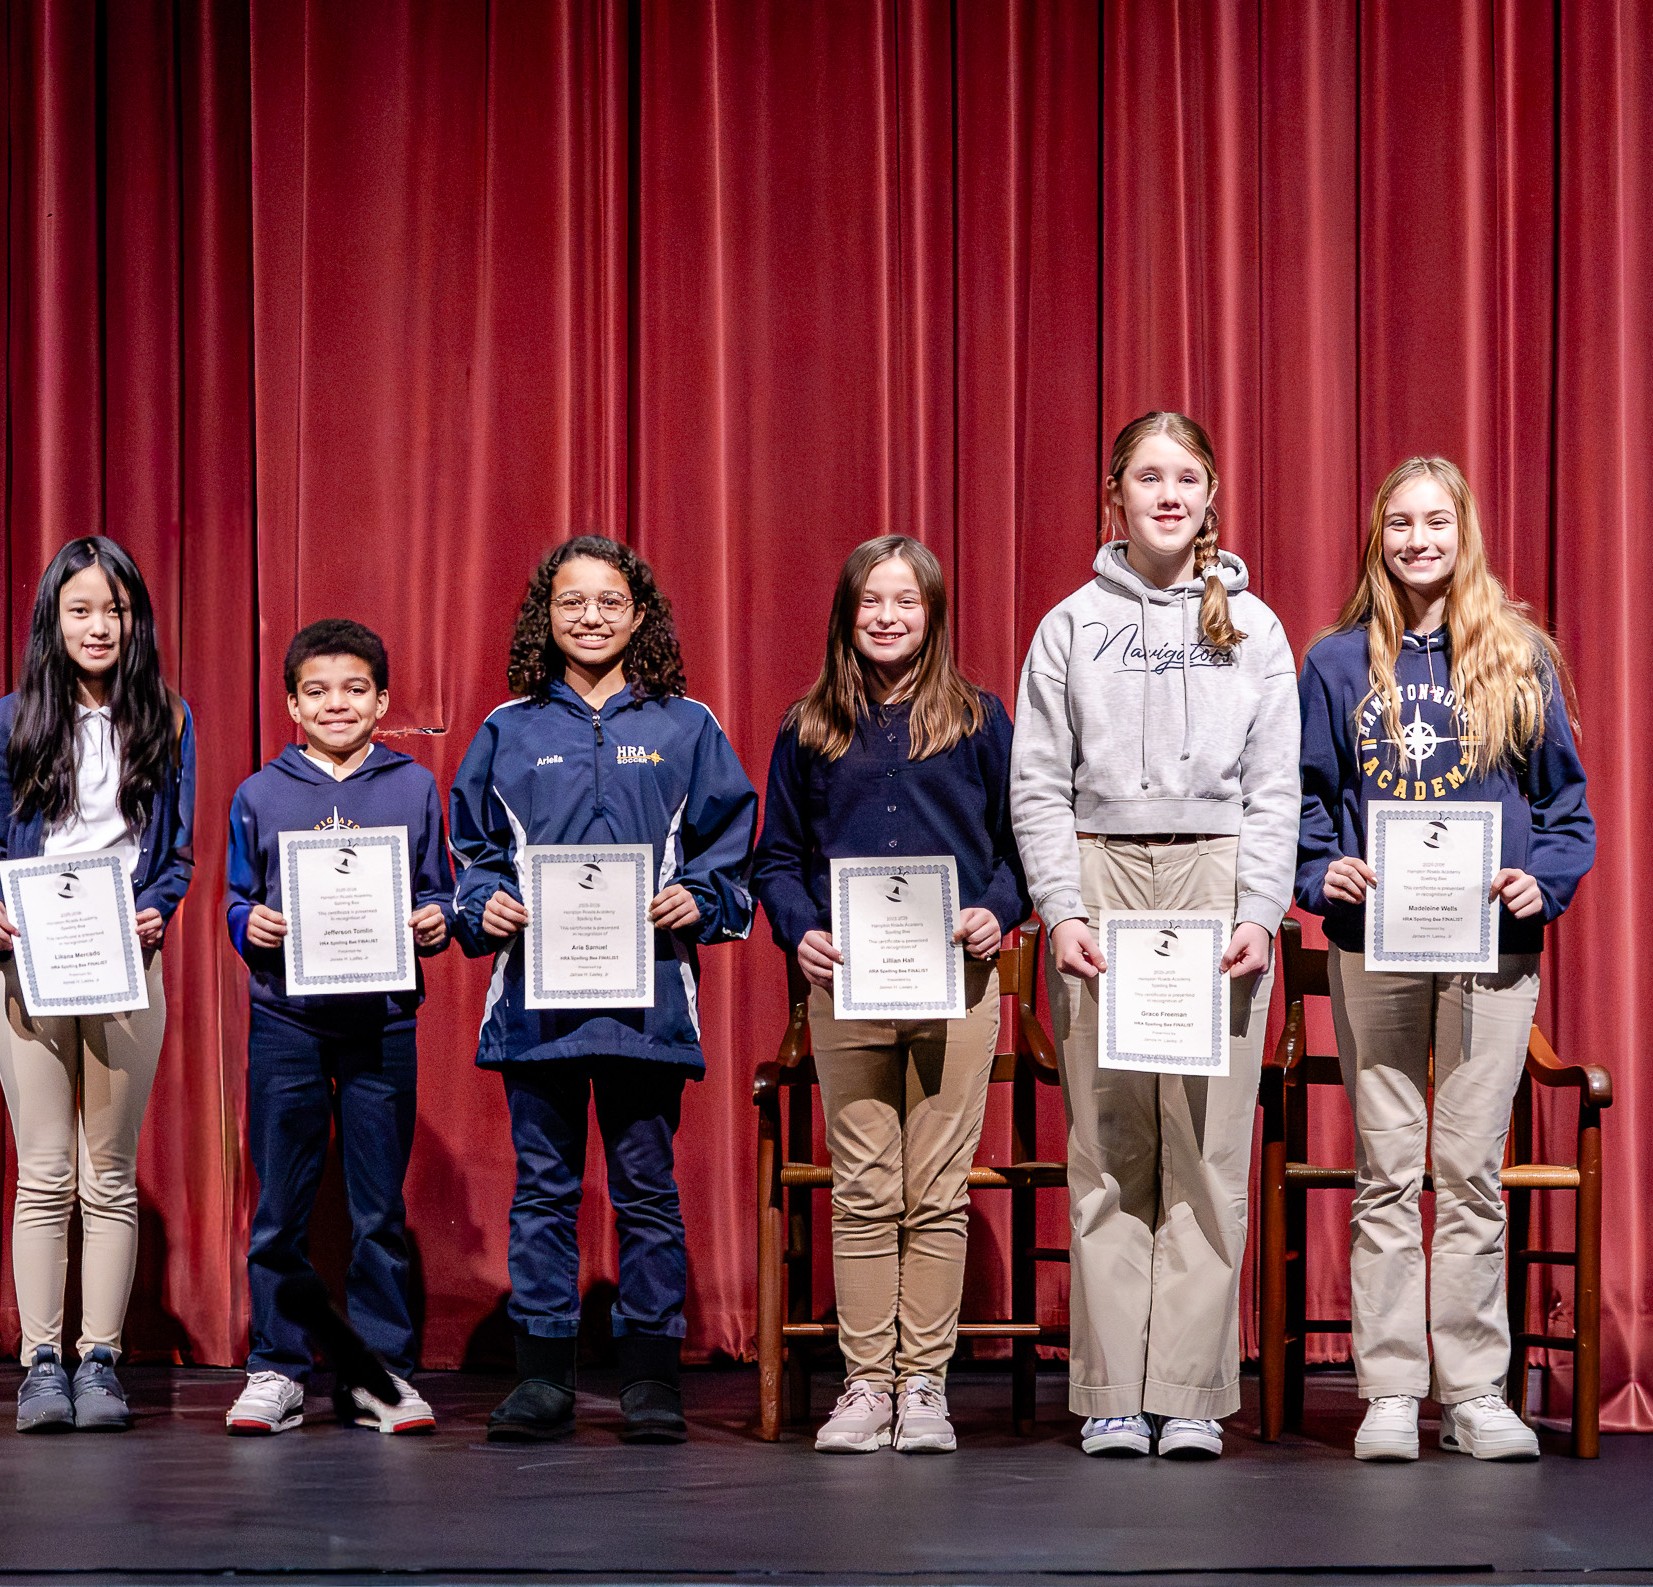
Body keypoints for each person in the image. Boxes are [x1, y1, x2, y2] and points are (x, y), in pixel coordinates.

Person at [1010, 411, 1298, 1460]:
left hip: (1214, 877)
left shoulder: (1253, 627)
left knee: (1208, 1150)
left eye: (1184, 477)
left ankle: (1185, 1393)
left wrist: (1259, 911)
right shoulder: (1069, 625)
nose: (1166, 494)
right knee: (1106, 1147)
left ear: (1209, 492)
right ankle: (1108, 1392)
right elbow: (1036, 783)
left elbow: (1276, 789)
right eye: (1146, 477)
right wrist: (1061, 908)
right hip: (1100, 876)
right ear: (1113, 495)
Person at [1297, 456, 1593, 1463]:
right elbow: (1300, 798)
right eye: (1396, 524)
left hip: (1489, 948)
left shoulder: (1518, 656)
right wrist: (1317, 868)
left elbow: (1565, 812)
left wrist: (1537, 884)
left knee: (1467, 1171)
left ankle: (1471, 1391)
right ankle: (1388, 1391)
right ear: (1374, 538)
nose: (1415, 541)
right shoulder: (1334, 664)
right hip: (1373, 943)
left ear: (1462, 531)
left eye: (1433, 522)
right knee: (1385, 1168)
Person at [450, 535, 758, 1444]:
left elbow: (730, 853)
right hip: (536, 1005)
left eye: (609, 601)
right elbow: (468, 857)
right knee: (543, 1188)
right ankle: (543, 1376)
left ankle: (651, 1380)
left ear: (639, 616)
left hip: (648, 1002)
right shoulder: (508, 729)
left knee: (647, 1189)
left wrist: (696, 898)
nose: (590, 616)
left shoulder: (686, 726)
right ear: (546, 617)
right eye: (572, 601)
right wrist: (483, 903)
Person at [751, 535, 1027, 1454]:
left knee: (938, 1193)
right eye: (871, 600)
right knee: (867, 1189)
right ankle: (867, 1384)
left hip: (959, 984)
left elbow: (1021, 852)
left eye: (906, 601)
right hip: (851, 986)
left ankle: (926, 1388)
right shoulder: (809, 727)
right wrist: (802, 929)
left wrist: (997, 912)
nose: (887, 616)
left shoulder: (981, 721)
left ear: (933, 614)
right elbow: (776, 858)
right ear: (846, 612)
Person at [0, 536, 194, 1433]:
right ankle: (40, 1366)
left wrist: (157, 910)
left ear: (136, 620)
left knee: (108, 1173)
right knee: (43, 1175)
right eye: (83, 610)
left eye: (118, 610)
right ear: (53, 620)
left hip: (126, 960)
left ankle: (98, 1361)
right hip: (29, 961)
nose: (101, 626)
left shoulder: (170, 718)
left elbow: (173, 857)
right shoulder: (10, 720)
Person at [221, 619, 453, 1437]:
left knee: (377, 1207)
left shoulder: (413, 785)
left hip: (382, 1021)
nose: (337, 703)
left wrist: (438, 920)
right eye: (316, 690)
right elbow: (235, 900)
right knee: (280, 1206)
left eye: (356, 689)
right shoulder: (259, 793)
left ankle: (379, 1374)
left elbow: (443, 891)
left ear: (382, 700)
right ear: (291, 703)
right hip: (287, 1019)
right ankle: (276, 1368)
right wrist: (248, 924)